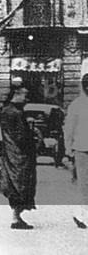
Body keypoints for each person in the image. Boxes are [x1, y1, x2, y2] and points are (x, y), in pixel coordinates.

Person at [0, 85, 37, 229]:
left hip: (10, 153)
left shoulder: (6, 111)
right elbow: (21, 135)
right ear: (16, 94)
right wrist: (32, 135)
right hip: (19, 155)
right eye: (24, 94)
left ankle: (16, 217)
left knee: (14, 184)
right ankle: (16, 218)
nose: (26, 98)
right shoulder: (15, 112)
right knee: (21, 185)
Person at [64, 71, 88, 229]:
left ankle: (82, 216)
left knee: (84, 185)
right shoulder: (77, 105)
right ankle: (83, 217)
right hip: (82, 150)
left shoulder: (77, 104)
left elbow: (68, 130)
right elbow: (69, 129)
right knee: (84, 185)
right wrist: (68, 150)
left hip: (81, 148)